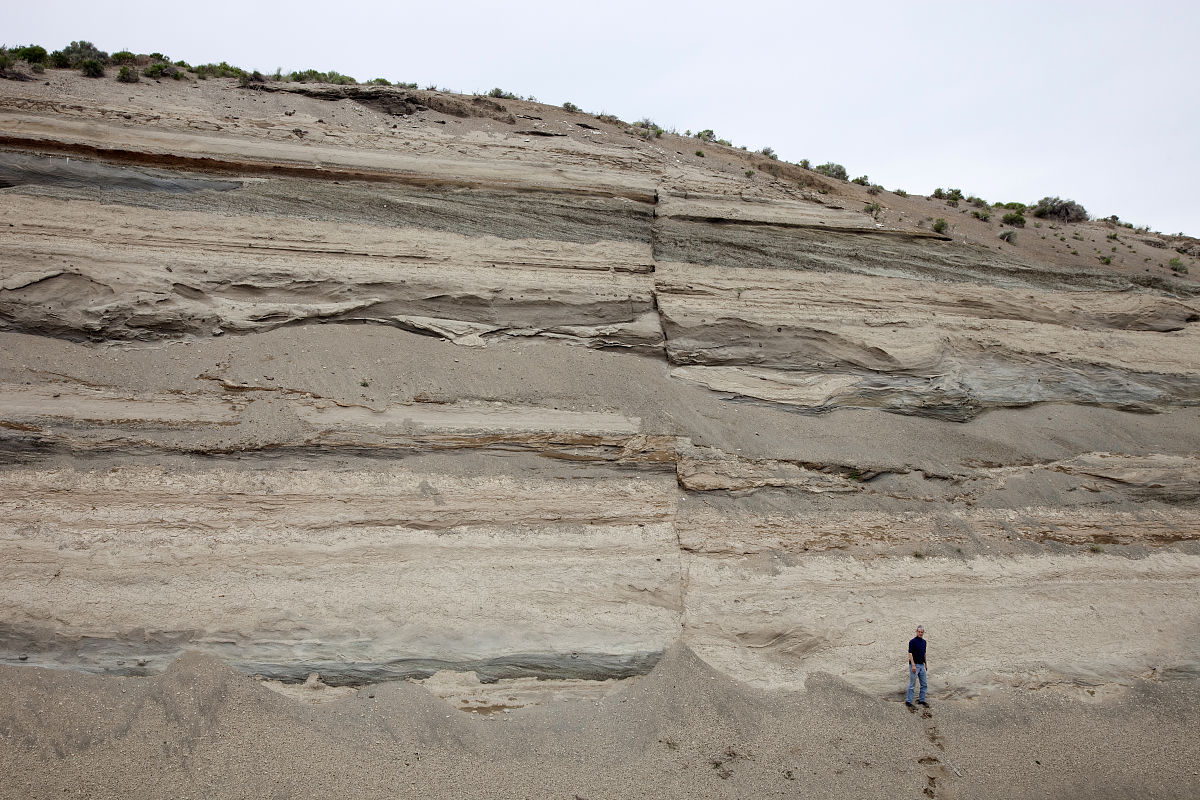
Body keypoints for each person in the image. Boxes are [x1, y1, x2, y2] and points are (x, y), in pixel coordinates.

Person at [905, 625, 929, 708]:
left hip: (922, 665)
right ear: (916, 632)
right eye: (919, 632)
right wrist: (913, 665)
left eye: (922, 632)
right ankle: (908, 701)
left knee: (924, 684)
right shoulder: (912, 641)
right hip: (915, 665)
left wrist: (926, 664)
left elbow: (924, 653)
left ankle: (921, 700)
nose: (920, 633)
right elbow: (910, 653)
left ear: (923, 633)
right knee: (912, 684)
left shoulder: (924, 642)